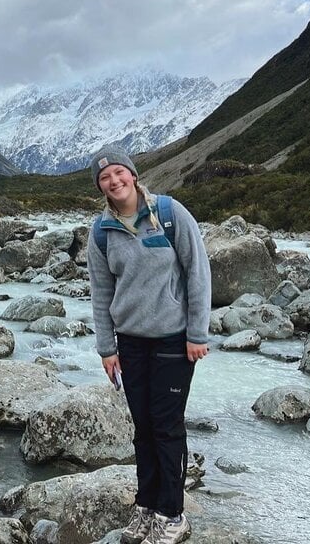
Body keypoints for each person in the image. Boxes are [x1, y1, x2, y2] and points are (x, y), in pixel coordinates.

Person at [87, 148, 211, 544]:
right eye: (105, 177)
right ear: (100, 186)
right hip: (131, 343)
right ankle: (146, 506)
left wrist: (197, 334)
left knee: (167, 427)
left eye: (119, 172)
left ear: (134, 175)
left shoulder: (171, 214)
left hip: (174, 341)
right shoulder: (101, 231)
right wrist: (107, 347)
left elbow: (198, 272)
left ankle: (172, 513)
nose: (114, 181)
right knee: (142, 428)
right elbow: (101, 291)